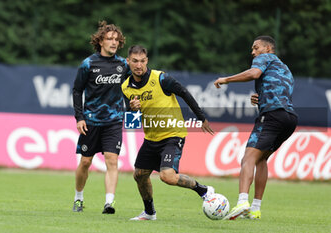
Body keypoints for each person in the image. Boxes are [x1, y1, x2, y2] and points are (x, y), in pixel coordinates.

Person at [121, 45, 215, 221]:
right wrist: (132, 110)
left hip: (173, 135)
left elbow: (185, 93)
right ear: (128, 62)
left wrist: (201, 117)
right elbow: (132, 120)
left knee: (167, 176)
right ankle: (149, 213)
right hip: (151, 137)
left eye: (142, 61)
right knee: (139, 175)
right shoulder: (126, 87)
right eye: (134, 61)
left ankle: (204, 190)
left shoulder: (161, 78)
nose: (138, 65)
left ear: (147, 61)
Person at [214, 35, 298, 220]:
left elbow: (254, 74)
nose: (253, 52)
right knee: (261, 160)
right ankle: (255, 208)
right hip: (289, 118)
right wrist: (260, 98)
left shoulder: (264, 58)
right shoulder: (285, 69)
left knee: (248, 158)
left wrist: (226, 79)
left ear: (268, 48)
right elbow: (279, 92)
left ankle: (242, 202)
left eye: (256, 48)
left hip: (272, 116)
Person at [72, 21, 130, 214]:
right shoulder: (88, 64)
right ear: (101, 41)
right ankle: (78, 198)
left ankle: (109, 203)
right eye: (109, 39)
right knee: (86, 162)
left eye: (116, 39)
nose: (114, 42)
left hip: (114, 121)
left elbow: (133, 89)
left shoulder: (123, 65)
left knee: (112, 161)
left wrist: (133, 106)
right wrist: (79, 117)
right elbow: (77, 90)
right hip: (91, 121)